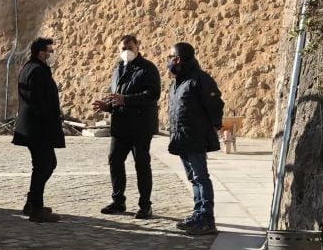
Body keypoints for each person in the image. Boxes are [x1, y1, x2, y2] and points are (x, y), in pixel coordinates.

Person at [92, 35, 161, 219]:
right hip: (121, 126)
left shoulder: (148, 68)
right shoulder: (118, 69)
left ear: (138, 47)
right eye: (123, 48)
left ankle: (145, 205)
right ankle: (118, 201)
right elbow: (118, 97)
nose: (126, 51)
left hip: (141, 126)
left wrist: (126, 100)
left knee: (142, 164)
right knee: (114, 160)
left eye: (129, 47)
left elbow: (152, 95)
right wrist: (108, 106)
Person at [165, 42, 225, 235]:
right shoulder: (178, 82)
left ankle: (207, 218)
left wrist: (213, 126)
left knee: (201, 177)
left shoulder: (199, 79)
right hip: (182, 137)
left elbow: (215, 104)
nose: (168, 61)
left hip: (195, 136)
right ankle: (198, 213)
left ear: (179, 59)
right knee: (193, 178)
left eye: (171, 57)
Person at [11, 37, 63, 223]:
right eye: (50, 51)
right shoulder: (37, 71)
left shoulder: (32, 68)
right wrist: (50, 121)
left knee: (46, 165)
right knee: (44, 165)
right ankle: (36, 208)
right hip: (38, 129)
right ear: (41, 53)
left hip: (36, 128)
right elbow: (40, 101)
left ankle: (32, 203)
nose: (52, 55)